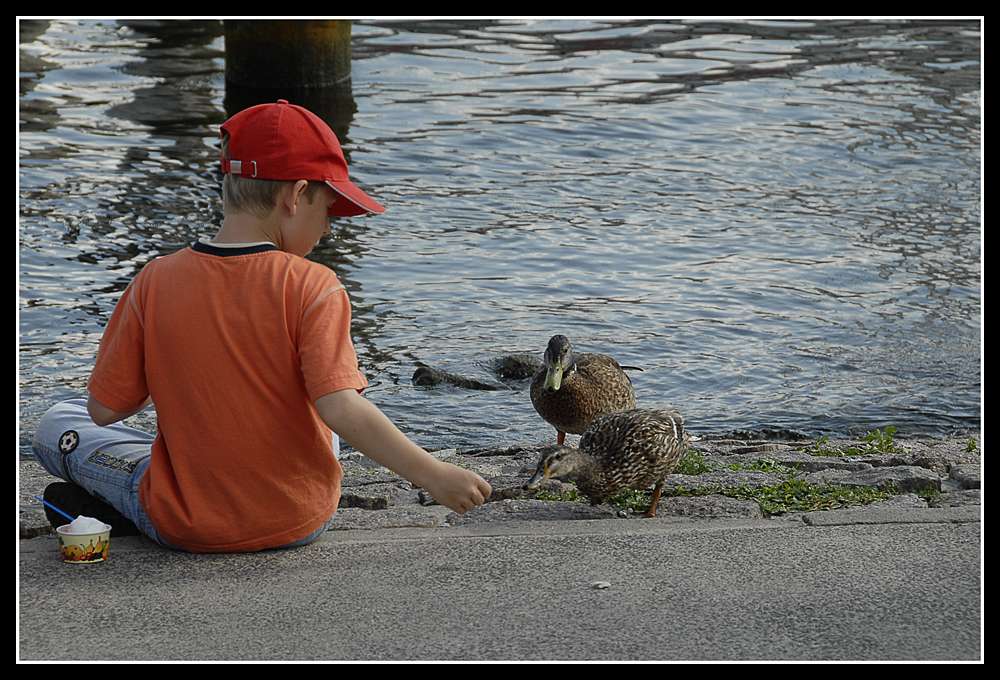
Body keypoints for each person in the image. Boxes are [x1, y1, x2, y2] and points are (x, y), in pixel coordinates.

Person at [32, 99, 492, 552]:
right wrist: (436, 475)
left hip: (186, 523)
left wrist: (177, 365)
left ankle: (112, 509)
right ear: (294, 196)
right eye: (329, 211)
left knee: (57, 423)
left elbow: (104, 412)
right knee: (326, 392)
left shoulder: (153, 281)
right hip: (300, 516)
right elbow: (340, 409)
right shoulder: (316, 286)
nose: (329, 230)